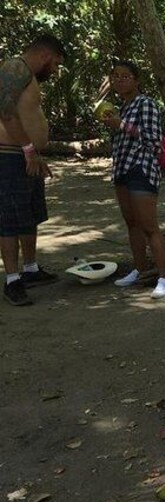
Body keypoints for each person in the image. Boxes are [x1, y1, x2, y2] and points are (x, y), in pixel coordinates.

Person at [98, 60, 165, 299]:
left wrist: (121, 125)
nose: (120, 80)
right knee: (132, 224)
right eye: (115, 76)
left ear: (136, 80)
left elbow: (152, 139)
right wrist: (116, 122)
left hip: (141, 169)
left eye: (125, 76)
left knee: (149, 226)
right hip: (122, 169)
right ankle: (140, 270)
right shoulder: (122, 106)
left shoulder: (146, 104)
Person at [0, 34, 66, 306]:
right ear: (46, 57)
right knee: (10, 221)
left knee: (30, 215)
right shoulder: (15, 68)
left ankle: (30, 270)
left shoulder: (26, 74)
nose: (55, 70)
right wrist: (28, 148)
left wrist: (35, 153)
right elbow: (4, 110)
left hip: (26, 156)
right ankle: (12, 281)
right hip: (9, 156)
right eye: (56, 64)